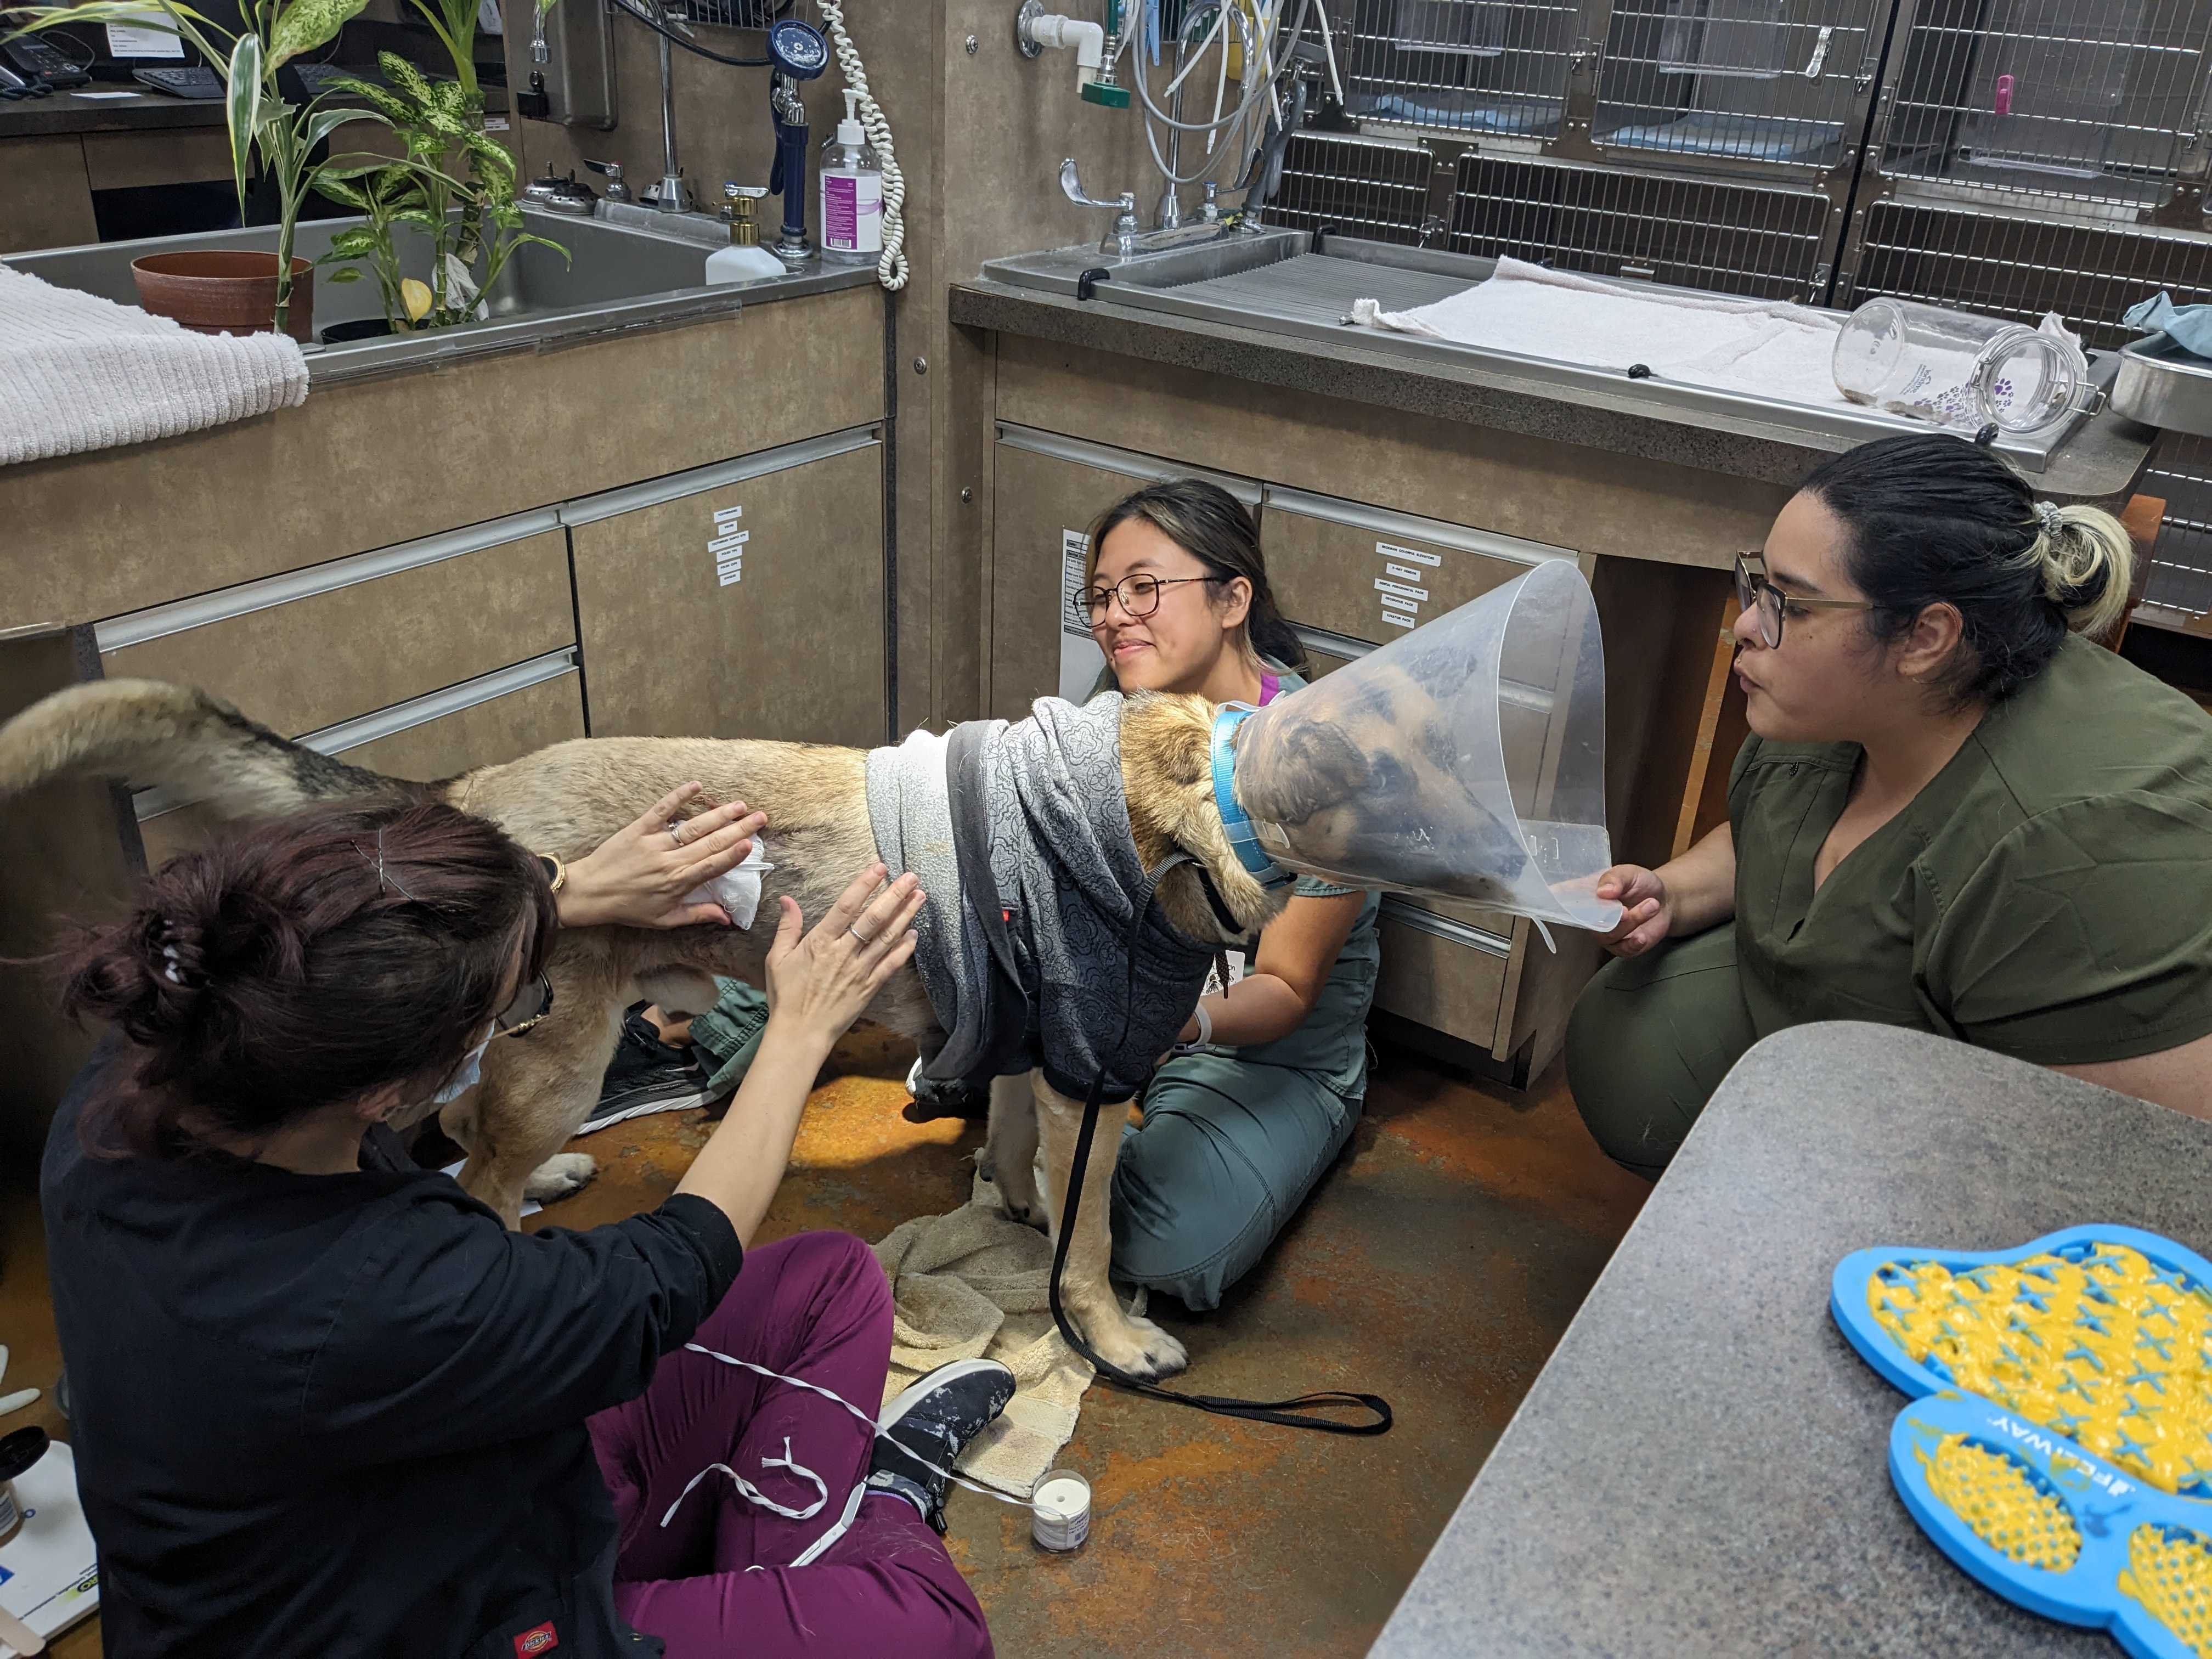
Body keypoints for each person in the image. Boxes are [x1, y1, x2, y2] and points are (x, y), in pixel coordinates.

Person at [42, 795, 1011, 1658]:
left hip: (428, 1485)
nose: (521, 1014)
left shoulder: (162, 1055)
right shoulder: (384, 1294)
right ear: (387, 1092)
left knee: (830, 1279)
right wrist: (802, 1032)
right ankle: (867, 1516)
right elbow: (671, 1268)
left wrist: (565, 887)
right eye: (521, 1001)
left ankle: (776, 1552)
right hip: (424, 1618)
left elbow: (339, 921)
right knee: (928, 1624)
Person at [1566, 432, 2212, 1178]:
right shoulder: (1840, 699)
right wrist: (1674, 891)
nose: (1746, 624)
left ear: (1925, 637)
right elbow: (1777, 830)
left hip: (2040, 1124)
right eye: (1758, 586)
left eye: (1792, 604)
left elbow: (2138, 1170)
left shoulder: (2077, 850)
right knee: (1635, 1034)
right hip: (1894, 1022)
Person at [1077, 477, 1380, 1311]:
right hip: (1138, 1015)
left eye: (1144, 587)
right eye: (1101, 596)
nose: (1114, 615)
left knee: (1163, 1244)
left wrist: (1166, 1024)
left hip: (1264, 1054)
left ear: (1232, 599)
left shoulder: (1321, 758)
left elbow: (1284, 989)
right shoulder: (1112, 713)